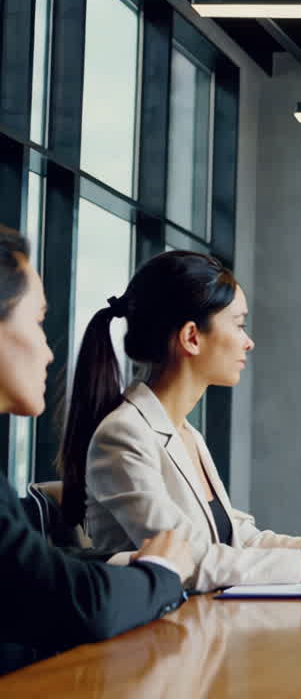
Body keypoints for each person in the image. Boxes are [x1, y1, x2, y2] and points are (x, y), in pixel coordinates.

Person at [59, 251, 301, 593]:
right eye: (240, 325)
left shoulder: (185, 433)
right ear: (192, 337)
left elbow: (239, 540)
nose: (249, 342)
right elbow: (186, 560)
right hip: (155, 627)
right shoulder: (124, 434)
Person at [0, 227, 193, 675]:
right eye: (38, 321)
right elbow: (78, 605)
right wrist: (160, 571)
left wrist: (129, 563)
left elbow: (34, 574)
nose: (49, 352)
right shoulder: (126, 429)